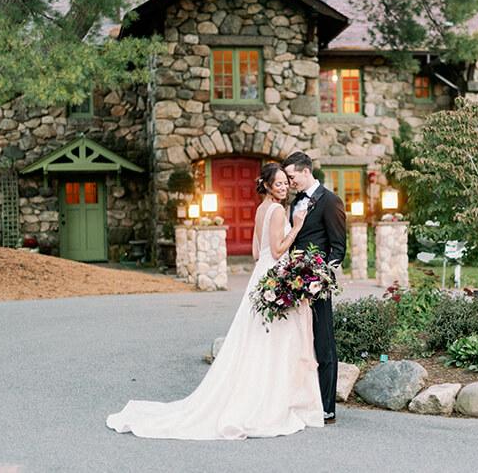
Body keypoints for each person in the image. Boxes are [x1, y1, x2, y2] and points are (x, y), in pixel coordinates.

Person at [106, 163, 324, 440]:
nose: (283, 187)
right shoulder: (279, 211)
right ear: (267, 186)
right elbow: (279, 249)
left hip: (260, 276)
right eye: (278, 183)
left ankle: (259, 392)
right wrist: (298, 227)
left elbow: (258, 252)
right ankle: (270, 399)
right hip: (274, 277)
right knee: (276, 340)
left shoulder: (260, 210)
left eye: (285, 182)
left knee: (255, 339)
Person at [282, 152, 346, 425]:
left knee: (323, 342)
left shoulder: (330, 201)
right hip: (294, 280)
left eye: (292, 176)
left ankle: (327, 407)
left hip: (317, 283)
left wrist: (319, 276)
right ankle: (303, 400)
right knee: (299, 342)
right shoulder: (296, 202)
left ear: (306, 171)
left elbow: (338, 248)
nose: (289, 182)